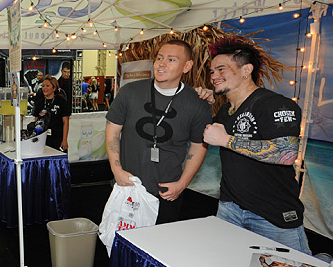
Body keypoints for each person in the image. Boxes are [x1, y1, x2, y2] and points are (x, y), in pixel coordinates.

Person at [199, 38, 311, 254]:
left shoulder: (275, 104)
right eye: (212, 71)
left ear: (246, 70)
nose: (213, 76)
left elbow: (286, 153)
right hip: (230, 209)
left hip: (271, 215)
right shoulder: (225, 112)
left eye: (221, 69)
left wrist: (226, 140)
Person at [105, 40, 212, 224]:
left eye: (171, 60)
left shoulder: (197, 104)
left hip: (167, 192)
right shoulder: (130, 92)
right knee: (121, 244)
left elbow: (198, 146)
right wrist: (117, 170)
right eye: (159, 58)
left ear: (187, 66)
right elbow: (113, 132)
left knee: (161, 247)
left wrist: (182, 184)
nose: (162, 64)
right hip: (128, 186)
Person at [32, 75, 71, 151]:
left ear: (54, 88)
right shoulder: (39, 103)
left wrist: (64, 140)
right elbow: (36, 122)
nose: (44, 88)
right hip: (43, 139)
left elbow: (66, 122)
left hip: (58, 138)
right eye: (43, 86)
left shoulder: (61, 102)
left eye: (47, 86)